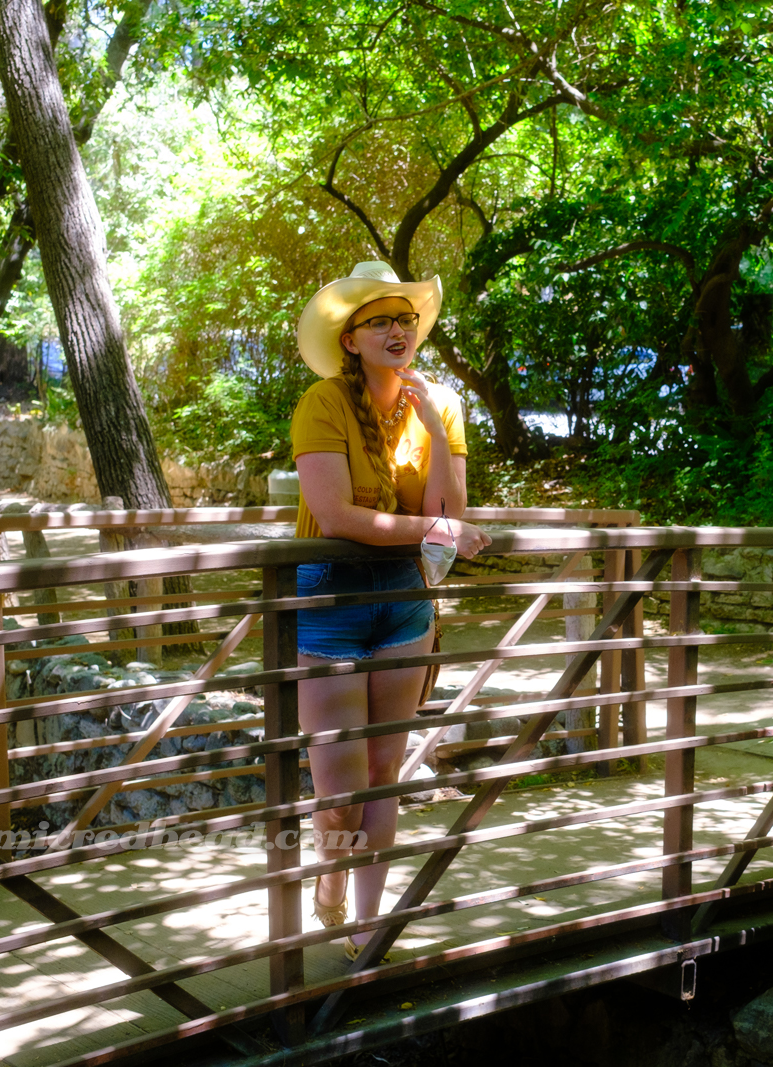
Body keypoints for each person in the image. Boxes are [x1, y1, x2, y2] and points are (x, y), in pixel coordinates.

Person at [289, 260, 491, 960]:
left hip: (403, 595)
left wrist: (435, 425)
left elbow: (448, 512)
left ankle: (367, 926)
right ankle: (328, 878)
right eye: (381, 320)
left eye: (405, 319)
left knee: (383, 769)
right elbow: (337, 514)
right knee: (337, 783)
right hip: (331, 592)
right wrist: (436, 535)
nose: (398, 330)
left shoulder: (442, 404)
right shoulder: (323, 403)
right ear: (351, 339)